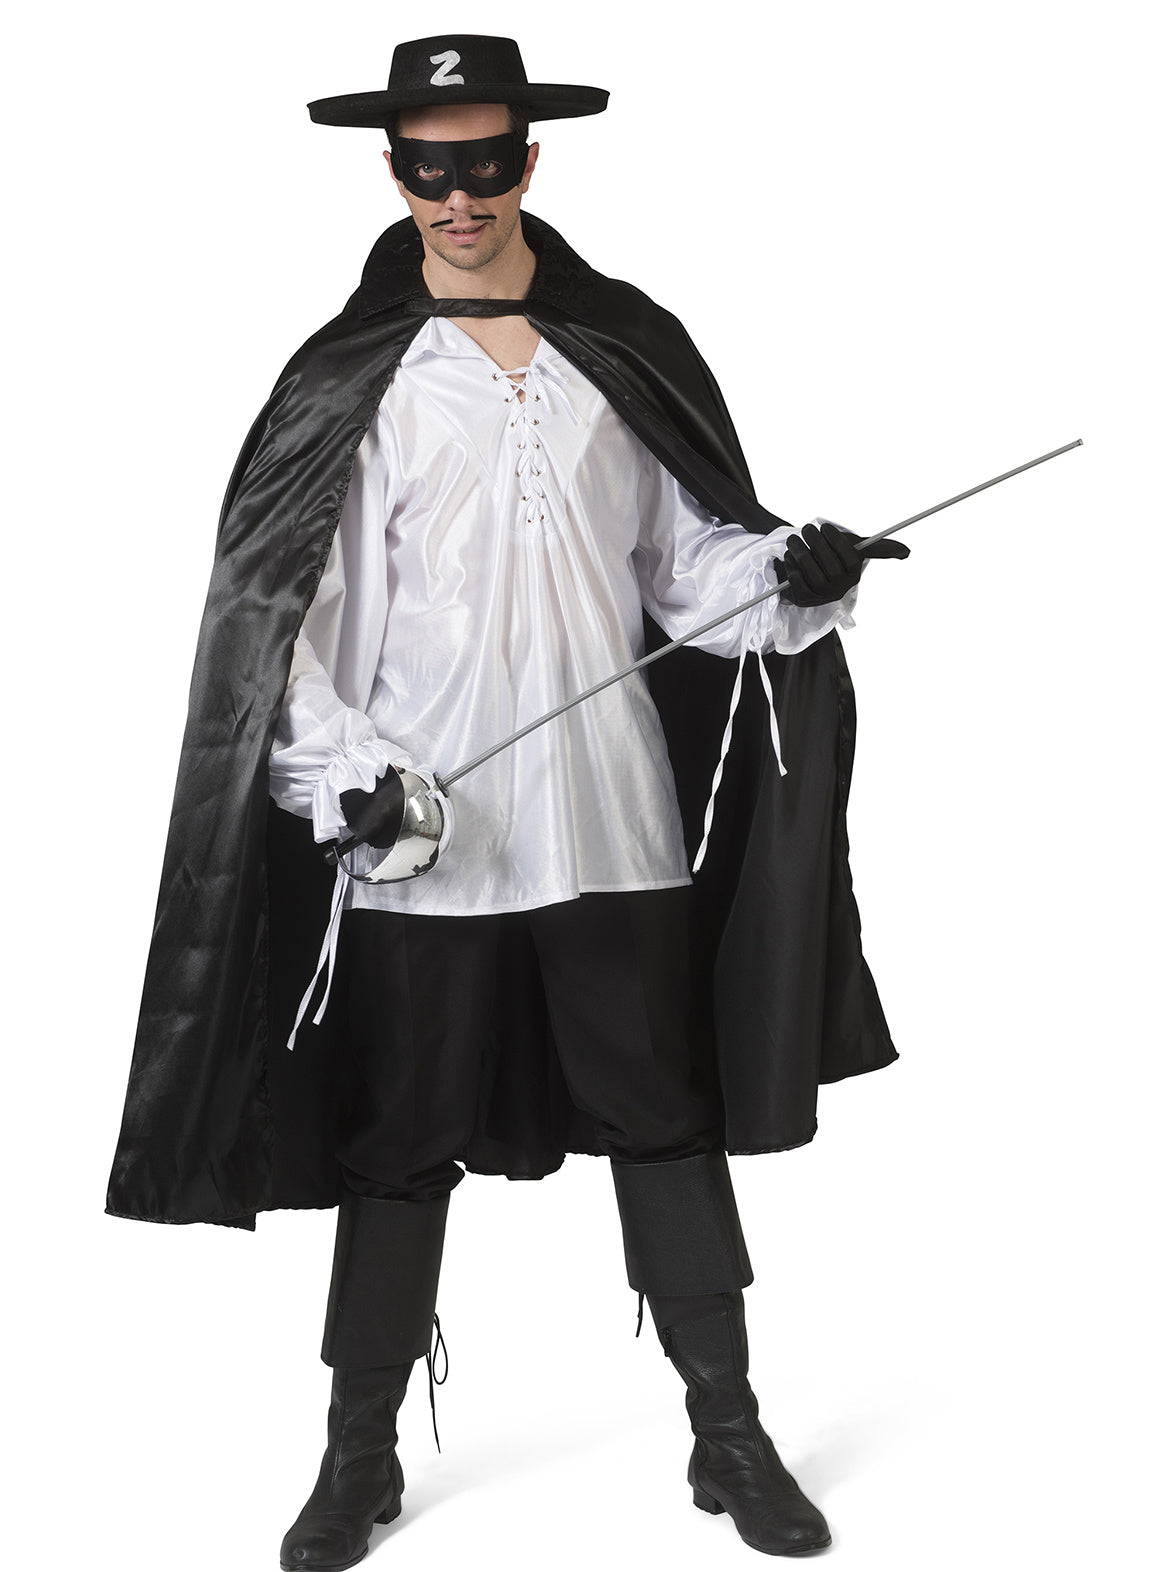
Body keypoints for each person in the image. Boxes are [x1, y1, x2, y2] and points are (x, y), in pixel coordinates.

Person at [106, 34, 908, 1569]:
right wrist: (348, 782)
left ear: (529, 161)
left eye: (485, 163)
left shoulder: (620, 349)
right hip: (430, 838)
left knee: (664, 1122)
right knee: (398, 1142)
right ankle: (358, 1457)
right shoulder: (355, 379)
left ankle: (729, 1435)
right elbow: (287, 631)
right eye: (431, 166)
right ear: (394, 170)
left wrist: (793, 574)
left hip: (610, 823)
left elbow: (688, 573)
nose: (459, 194)